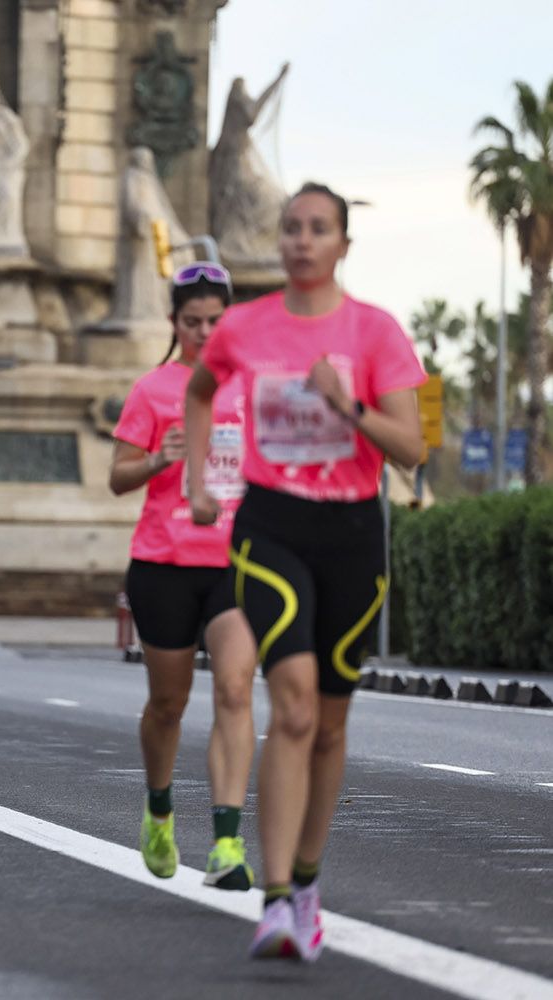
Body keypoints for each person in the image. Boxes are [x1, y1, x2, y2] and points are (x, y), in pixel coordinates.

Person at [184, 183, 425, 961]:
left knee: (328, 722)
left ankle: (310, 882)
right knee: (290, 705)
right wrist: (196, 478)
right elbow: (199, 391)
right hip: (271, 526)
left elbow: (412, 449)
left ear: (343, 245)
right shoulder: (245, 326)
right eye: (291, 227)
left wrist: (346, 404)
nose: (301, 240)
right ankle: (279, 900)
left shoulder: (375, 331)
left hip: (352, 533)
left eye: (318, 228)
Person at [109, 262, 258, 891]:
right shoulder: (154, 389)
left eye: (214, 321)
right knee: (169, 705)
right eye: (192, 321)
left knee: (235, 690)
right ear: (174, 323)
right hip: (164, 564)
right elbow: (118, 478)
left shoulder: (254, 387)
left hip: (237, 565)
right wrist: (156, 460)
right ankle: (159, 809)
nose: (203, 332)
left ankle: (227, 842)